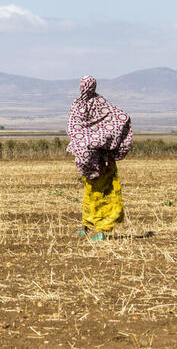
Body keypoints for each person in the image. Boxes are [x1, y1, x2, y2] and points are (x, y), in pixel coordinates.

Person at [66, 75, 132, 242]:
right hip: (101, 157)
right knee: (100, 191)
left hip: (91, 157)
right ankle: (88, 226)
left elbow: (74, 128)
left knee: (95, 191)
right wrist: (99, 139)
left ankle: (100, 229)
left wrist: (86, 142)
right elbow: (121, 117)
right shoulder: (100, 103)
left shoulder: (78, 104)